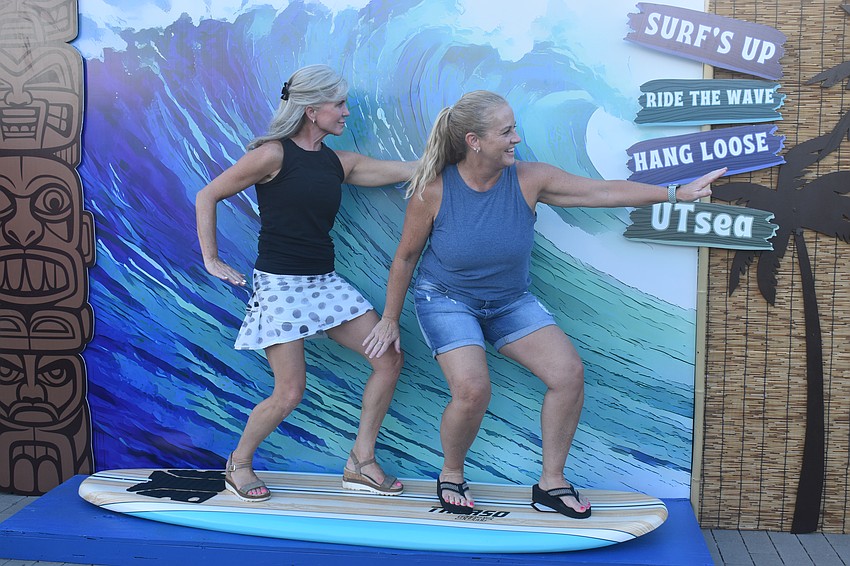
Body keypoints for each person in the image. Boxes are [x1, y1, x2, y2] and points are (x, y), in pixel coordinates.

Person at [364, 90, 725, 518]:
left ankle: (551, 482)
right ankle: (452, 472)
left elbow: (599, 192)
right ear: (474, 141)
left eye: (514, 128)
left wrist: (674, 194)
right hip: (446, 299)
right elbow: (406, 257)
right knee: (473, 389)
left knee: (568, 374)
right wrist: (390, 318)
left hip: (508, 301)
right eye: (506, 132)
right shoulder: (435, 190)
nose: (516, 139)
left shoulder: (528, 179)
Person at [196, 64, 416, 502]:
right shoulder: (272, 155)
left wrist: (457, 154)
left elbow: (409, 169)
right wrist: (211, 258)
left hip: (323, 283)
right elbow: (208, 195)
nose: (347, 112)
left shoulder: (339, 163)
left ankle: (361, 461)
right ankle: (238, 462)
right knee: (290, 392)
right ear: (312, 110)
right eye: (340, 104)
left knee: (389, 357)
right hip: (280, 286)